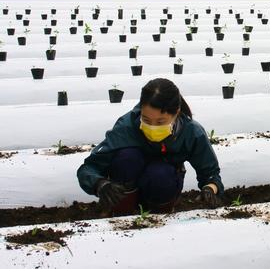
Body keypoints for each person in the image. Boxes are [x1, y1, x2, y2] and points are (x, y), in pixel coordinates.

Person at [77, 78, 224, 215]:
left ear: (177, 113)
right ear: (141, 109)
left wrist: (210, 189)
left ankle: (159, 216)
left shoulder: (191, 132)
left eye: (160, 122)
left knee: (160, 173)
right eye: (146, 119)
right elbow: (88, 168)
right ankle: (121, 213)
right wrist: (99, 184)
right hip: (126, 186)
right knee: (127, 158)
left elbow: (210, 173)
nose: (152, 127)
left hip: (161, 185)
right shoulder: (126, 127)